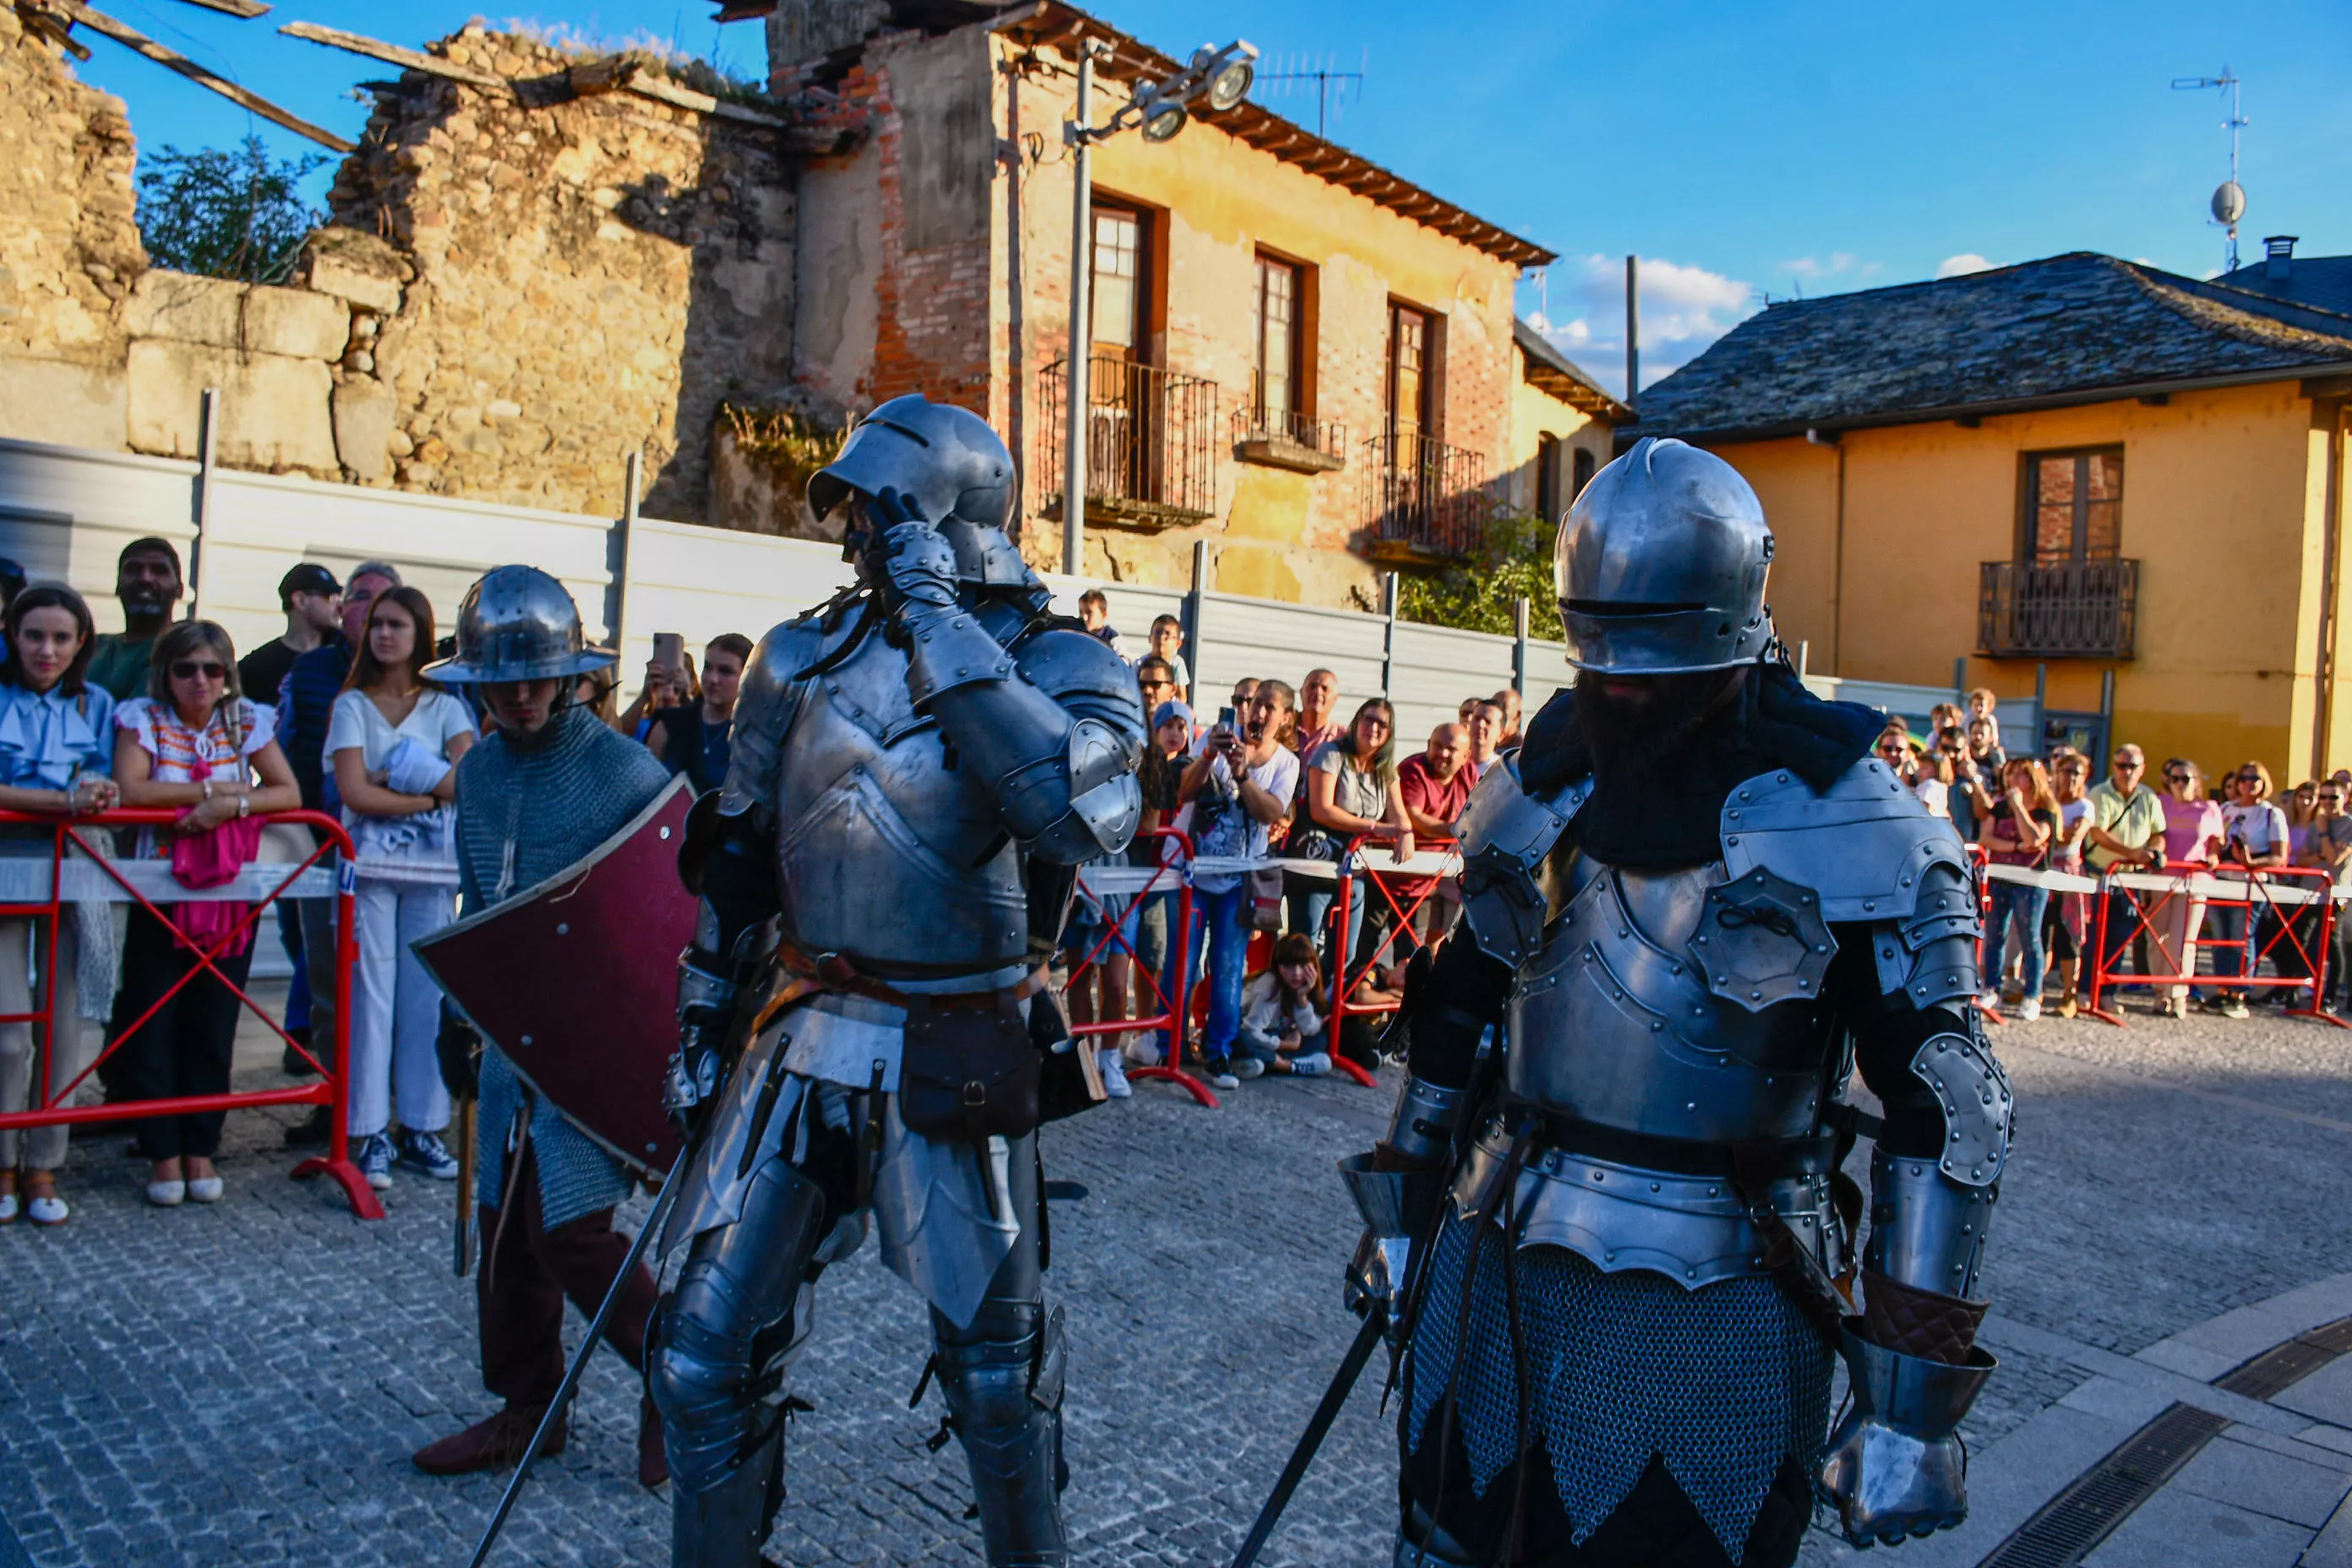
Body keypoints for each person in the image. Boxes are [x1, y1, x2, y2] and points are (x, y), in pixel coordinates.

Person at [1345, 438, 2010, 1564]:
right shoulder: (1548, 783)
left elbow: (1951, 1107)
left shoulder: (1852, 817)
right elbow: (1454, 1009)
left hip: (1725, 1286)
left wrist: (1911, 1410)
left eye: (1650, 668)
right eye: (1603, 662)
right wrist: (1404, 1215)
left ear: (1727, 627)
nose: (1620, 693)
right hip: (1501, 1236)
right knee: (1445, 1537)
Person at [651, 396, 1145, 1566]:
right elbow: (738, 858)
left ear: (942, 517)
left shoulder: (1060, 661)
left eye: (880, 512)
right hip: (802, 1033)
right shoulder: (797, 655)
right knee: (698, 1354)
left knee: (993, 1386)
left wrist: (934, 616)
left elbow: (1073, 816)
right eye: (857, 514)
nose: (854, 536)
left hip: (958, 1039)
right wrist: (702, 1026)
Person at [407, 566, 672, 1489]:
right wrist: (460, 1012)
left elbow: (661, 919)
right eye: (501, 681)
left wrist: (651, 1054)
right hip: (508, 1036)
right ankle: (531, 1407)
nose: (519, 698)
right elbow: (483, 903)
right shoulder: (476, 773)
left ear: (571, 675)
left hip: (587, 1038)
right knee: (505, 1231)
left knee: (576, 1231)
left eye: (536, 678)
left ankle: (676, 1382)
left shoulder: (625, 771)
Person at [112, 620, 301, 1206]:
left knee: (214, 1023)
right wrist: (211, 795)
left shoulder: (244, 718)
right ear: (166, 673)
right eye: (186, 668)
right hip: (157, 892)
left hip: (226, 895)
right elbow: (132, 789)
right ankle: (163, 1153)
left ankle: (202, 1147)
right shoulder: (143, 719)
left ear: (228, 676)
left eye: (213, 670)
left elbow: (288, 792)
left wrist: (229, 804)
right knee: (154, 1023)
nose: (200, 680)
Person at [329, 586, 475, 1190]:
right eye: (378, 625)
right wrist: (428, 791)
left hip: (433, 870)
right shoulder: (351, 705)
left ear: (420, 633)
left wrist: (407, 782)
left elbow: (471, 781)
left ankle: (421, 1125)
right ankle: (368, 1132)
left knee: (423, 995)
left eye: (398, 625)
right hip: (368, 870)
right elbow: (355, 792)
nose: (386, 634)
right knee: (370, 996)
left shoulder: (446, 706)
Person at [0, 585, 120, 1227]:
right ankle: (2, 1157)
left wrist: (96, 792)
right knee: (9, 1034)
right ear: (13, 637)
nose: (46, 650)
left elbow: (106, 777)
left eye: (61, 638)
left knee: (64, 1025)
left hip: (74, 866)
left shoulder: (96, 702)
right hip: (5, 866)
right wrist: (60, 802)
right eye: (33, 635)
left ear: (80, 645)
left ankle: (45, 1161)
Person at [274, 559, 401, 1142]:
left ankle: (390, 1111)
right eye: (362, 601)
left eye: (387, 606)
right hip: (326, 851)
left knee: (390, 985)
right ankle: (333, 1107)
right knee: (326, 982)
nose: (374, 617)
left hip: (397, 856)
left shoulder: (422, 683)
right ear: (343, 607)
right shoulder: (305, 675)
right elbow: (282, 748)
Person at [239, 563, 342, 1076]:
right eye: (329, 594)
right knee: (293, 924)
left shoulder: (344, 660)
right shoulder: (259, 667)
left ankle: (303, 1033)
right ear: (300, 600)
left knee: (320, 930)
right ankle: (300, 1033)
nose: (338, 603)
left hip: (332, 813)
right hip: (286, 812)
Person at [1177, 679, 1298, 1088]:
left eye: (1268, 706)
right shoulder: (1213, 741)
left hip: (1239, 882)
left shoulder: (1286, 763)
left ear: (1284, 718)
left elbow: (1270, 813)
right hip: (1193, 873)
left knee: (1229, 969)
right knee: (1183, 964)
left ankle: (1219, 1053)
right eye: (1252, 704)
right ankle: (1170, 1046)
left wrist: (1243, 775)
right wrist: (1210, 753)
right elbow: (1182, 791)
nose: (1257, 713)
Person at [1303, 697, 1415, 983]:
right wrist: (1377, 828)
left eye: (1382, 724)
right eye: (1368, 719)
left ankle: (1326, 1013)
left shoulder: (1385, 768)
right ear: (1355, 722)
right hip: (1319, 862)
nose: (1374, 728)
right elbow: (1321, 809)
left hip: (1356, 870)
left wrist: (1406, 833)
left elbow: (1399, 813)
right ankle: (1297, 1018)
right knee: (1306, 948)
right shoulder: (1330, 754)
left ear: (1390, 733)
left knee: (1345, 953)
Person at [1127, 698, 1193, 1069]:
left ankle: (1146, 1029)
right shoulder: (1139, 764)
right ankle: (1121, 1033)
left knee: (1155, 955)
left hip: (1166, 877)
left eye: (1182, 727)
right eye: (1168, 725)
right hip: (1133, 869)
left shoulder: (1189, 769)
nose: (1175, 733)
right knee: (1123, 954)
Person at [2085, 744, 2167, 1010]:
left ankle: (2107, 991)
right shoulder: (2100, 793)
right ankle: (2087, 989)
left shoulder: (2149, 798)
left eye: (2133, 766)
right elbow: (2097, 833)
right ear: (2114, 767)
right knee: (2095, 934)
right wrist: (2130, 853)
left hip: (2130, 879)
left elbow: (2158, 832)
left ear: (2142, 769)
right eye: (2122, 766)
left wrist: (2152, 851)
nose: (2127, 772)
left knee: (2120, 936)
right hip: (2100, 874)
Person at [1976, 757, 2057, 1018]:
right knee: (1995, 935)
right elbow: (1986, 838)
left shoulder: (2047, 810)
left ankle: (2032, 994)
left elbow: (2034, 837)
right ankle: (1991, 987)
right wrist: (2014, 847)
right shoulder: (1999, 808)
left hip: (2031, 883)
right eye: (2009, 774)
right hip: (2001, 878)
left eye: (2020, 775)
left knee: (2029, 936)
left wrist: (2020, 808)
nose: (2013, 780)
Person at [2211, 760, 2289, 1015]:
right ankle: (2222, 988)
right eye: (2243, 778)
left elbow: (2280, 856)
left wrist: (2251, 862)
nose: (2248, 783)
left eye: (2254, 778)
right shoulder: (2225, 809)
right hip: (2222, 880)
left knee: (2241, 937)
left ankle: (2239, 992)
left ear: (2264, 782)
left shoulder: (2271, 813)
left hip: (2251, 883)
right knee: (2221, 937)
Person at [2151, 759, 2224, 1018]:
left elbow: (2216, 842)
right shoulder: (2161, 803)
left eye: (2185, 779)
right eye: (2174, 779)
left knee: (2184, 938)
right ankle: (2160, 990)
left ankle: (2178, 993)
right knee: (2157, 935)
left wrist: (2213, 858)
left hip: (2194, 878)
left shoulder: (2208, 808)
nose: (2180, 784)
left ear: (2196, 781)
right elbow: (2154, 835)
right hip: (2161, 876)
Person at [1285, 667, 1348, 941]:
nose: (1317, 693)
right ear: (1301, 692)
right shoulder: (1284, 732)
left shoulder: (1344, 740)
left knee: (1309, 930)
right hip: (1279, 832)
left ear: (1336, 698)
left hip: (1317, 840)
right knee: (1260, 927)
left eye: (1324, 689)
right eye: (1311, 686)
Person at [645, 633, 751, 796]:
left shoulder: (754, 734)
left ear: (747, 676)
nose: (713, 679)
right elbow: (645, 789)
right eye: (708, 667)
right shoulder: (669, 724)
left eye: (726, 671)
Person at [1398, 721, 1473, 939]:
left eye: (1451, 749)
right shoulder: (1413, 769)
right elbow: (1416, 819)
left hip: (1449, 871)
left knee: (1449, 939)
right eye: (1437, 745)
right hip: (1406, 880)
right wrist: (1459, 830)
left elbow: (1478, 815)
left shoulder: (1469, 775)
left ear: (1466, 756)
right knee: (1410, 951)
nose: (1442, 753)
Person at [86, 537, 184, 701]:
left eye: (159, 571)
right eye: (133, 569)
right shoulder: (92, 646)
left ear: (179, 590)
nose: (145, 578)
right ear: (117, 586)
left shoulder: (183, 652)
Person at [238, 564, 343, 707]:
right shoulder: (256, 668)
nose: (339, 606)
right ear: (300, 601)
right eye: (330, 598)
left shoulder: (346, 656)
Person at [2040, 749, 2094, 1016]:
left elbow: (2071, 837)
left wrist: (2046, 831)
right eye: (2066, 771)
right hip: (2044, 870)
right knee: (2041, 932)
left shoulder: (2084, 807)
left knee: (2068, 935)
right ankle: (2035, 988)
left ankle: (2068, 994)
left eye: (2077, 773)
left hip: (2069, 873)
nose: (2071, 778)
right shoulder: (2048, 800)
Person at [1236, 932, 1327, 1075]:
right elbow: (1250, 1032)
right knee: (1241, 1041)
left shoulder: (1306, 987)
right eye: (1289, 966)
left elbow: (1311, 1030)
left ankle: (1262, 1063)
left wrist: (1302, 998)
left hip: (1274, 1036)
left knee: (1319, 1039)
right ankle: (1284, 1065)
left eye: (1303, 966)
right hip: (1246, 1031)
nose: (1296, 973)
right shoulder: (1270, 986)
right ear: (1278, 967)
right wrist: (1285, 1045)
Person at [2302, 780, 2352, 1011]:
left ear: (2345, 798)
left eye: (2334, 797)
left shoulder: (2348, 825)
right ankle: (2301, 986)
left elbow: (2334, 859)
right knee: (2304, 940)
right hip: (2311, 890)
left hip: (2336, 893)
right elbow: (2301, 859)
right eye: (2323, 797)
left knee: (2332, 943)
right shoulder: (2315, 824)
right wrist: (2322, 852)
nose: (2328, 802)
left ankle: (2330, 995)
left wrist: (2323, 834)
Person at [1146, 612, 1190, 704]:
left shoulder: (1177, 664)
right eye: (1158, 633)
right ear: (1150, 638)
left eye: (1167, 634)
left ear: (1178, 644)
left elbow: (1182, 697)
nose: (1162, 637)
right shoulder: (1140, 663)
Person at [1076, 587, 1127, 661]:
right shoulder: (1075, 633)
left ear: (1104, 614)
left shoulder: (1114, 641)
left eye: (1089, 612)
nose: (1084, 617)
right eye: (1081, 612)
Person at [1965, 686, 2002, 751]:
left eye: (1982, 705)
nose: (1979, 708)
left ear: (1988, 706)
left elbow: (1994, 740)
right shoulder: (1967, 719)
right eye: (1976, 705)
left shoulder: (1991, 720)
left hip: (1985, 751)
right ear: (1971, 706)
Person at [1490, 687, 1523, 751]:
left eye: (1503, 707)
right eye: (1494, 706)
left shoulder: (1524, 750)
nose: (1497, 711)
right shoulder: (1480, 745)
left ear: (1517, 715)